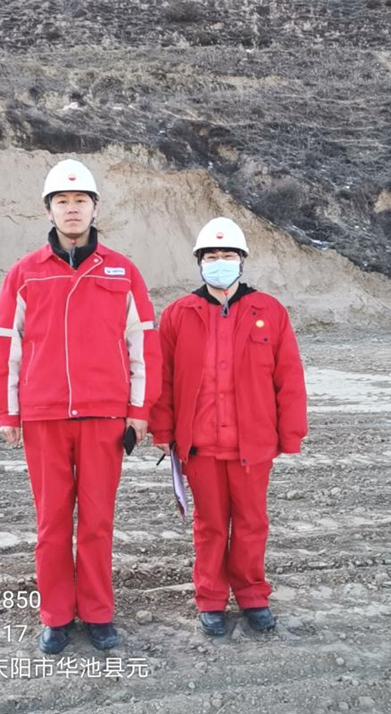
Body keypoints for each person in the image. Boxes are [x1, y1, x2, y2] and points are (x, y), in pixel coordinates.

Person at [0, 159, 161, 653]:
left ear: (94, 207)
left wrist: (139, 408)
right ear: (48, 210)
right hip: (44, 416)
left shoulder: (122, 271)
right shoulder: (25, 273)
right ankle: (57, 616)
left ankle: (99, 613)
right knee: (52, 523)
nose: (71, 209)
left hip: (104, 415)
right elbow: (5, 343)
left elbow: (143, 343)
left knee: (98, 521)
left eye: (80, 200)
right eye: (61, 201)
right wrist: (7, 409)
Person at [149, 217, 307, 636]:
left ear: (242, 260)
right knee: (210, 525)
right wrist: (162, 432)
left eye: (228, 255)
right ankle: (211, 598)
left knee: (252, 523)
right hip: (199, 446)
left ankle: (253, 595)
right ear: (200, 262)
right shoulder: (178, 314)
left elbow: (289, 376)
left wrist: (290, 434)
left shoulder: (269, 311)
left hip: (253, 444)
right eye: (212, 256)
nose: (220, 262)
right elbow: (163, 379)